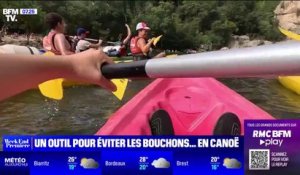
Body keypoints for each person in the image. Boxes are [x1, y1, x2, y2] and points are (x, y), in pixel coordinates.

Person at [0, 48, 116, 101]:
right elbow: (64, 52)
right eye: (63, 23)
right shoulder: (60, 36)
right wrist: (73, 64)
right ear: (59, 24)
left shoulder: (47, 37)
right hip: (57, 62)